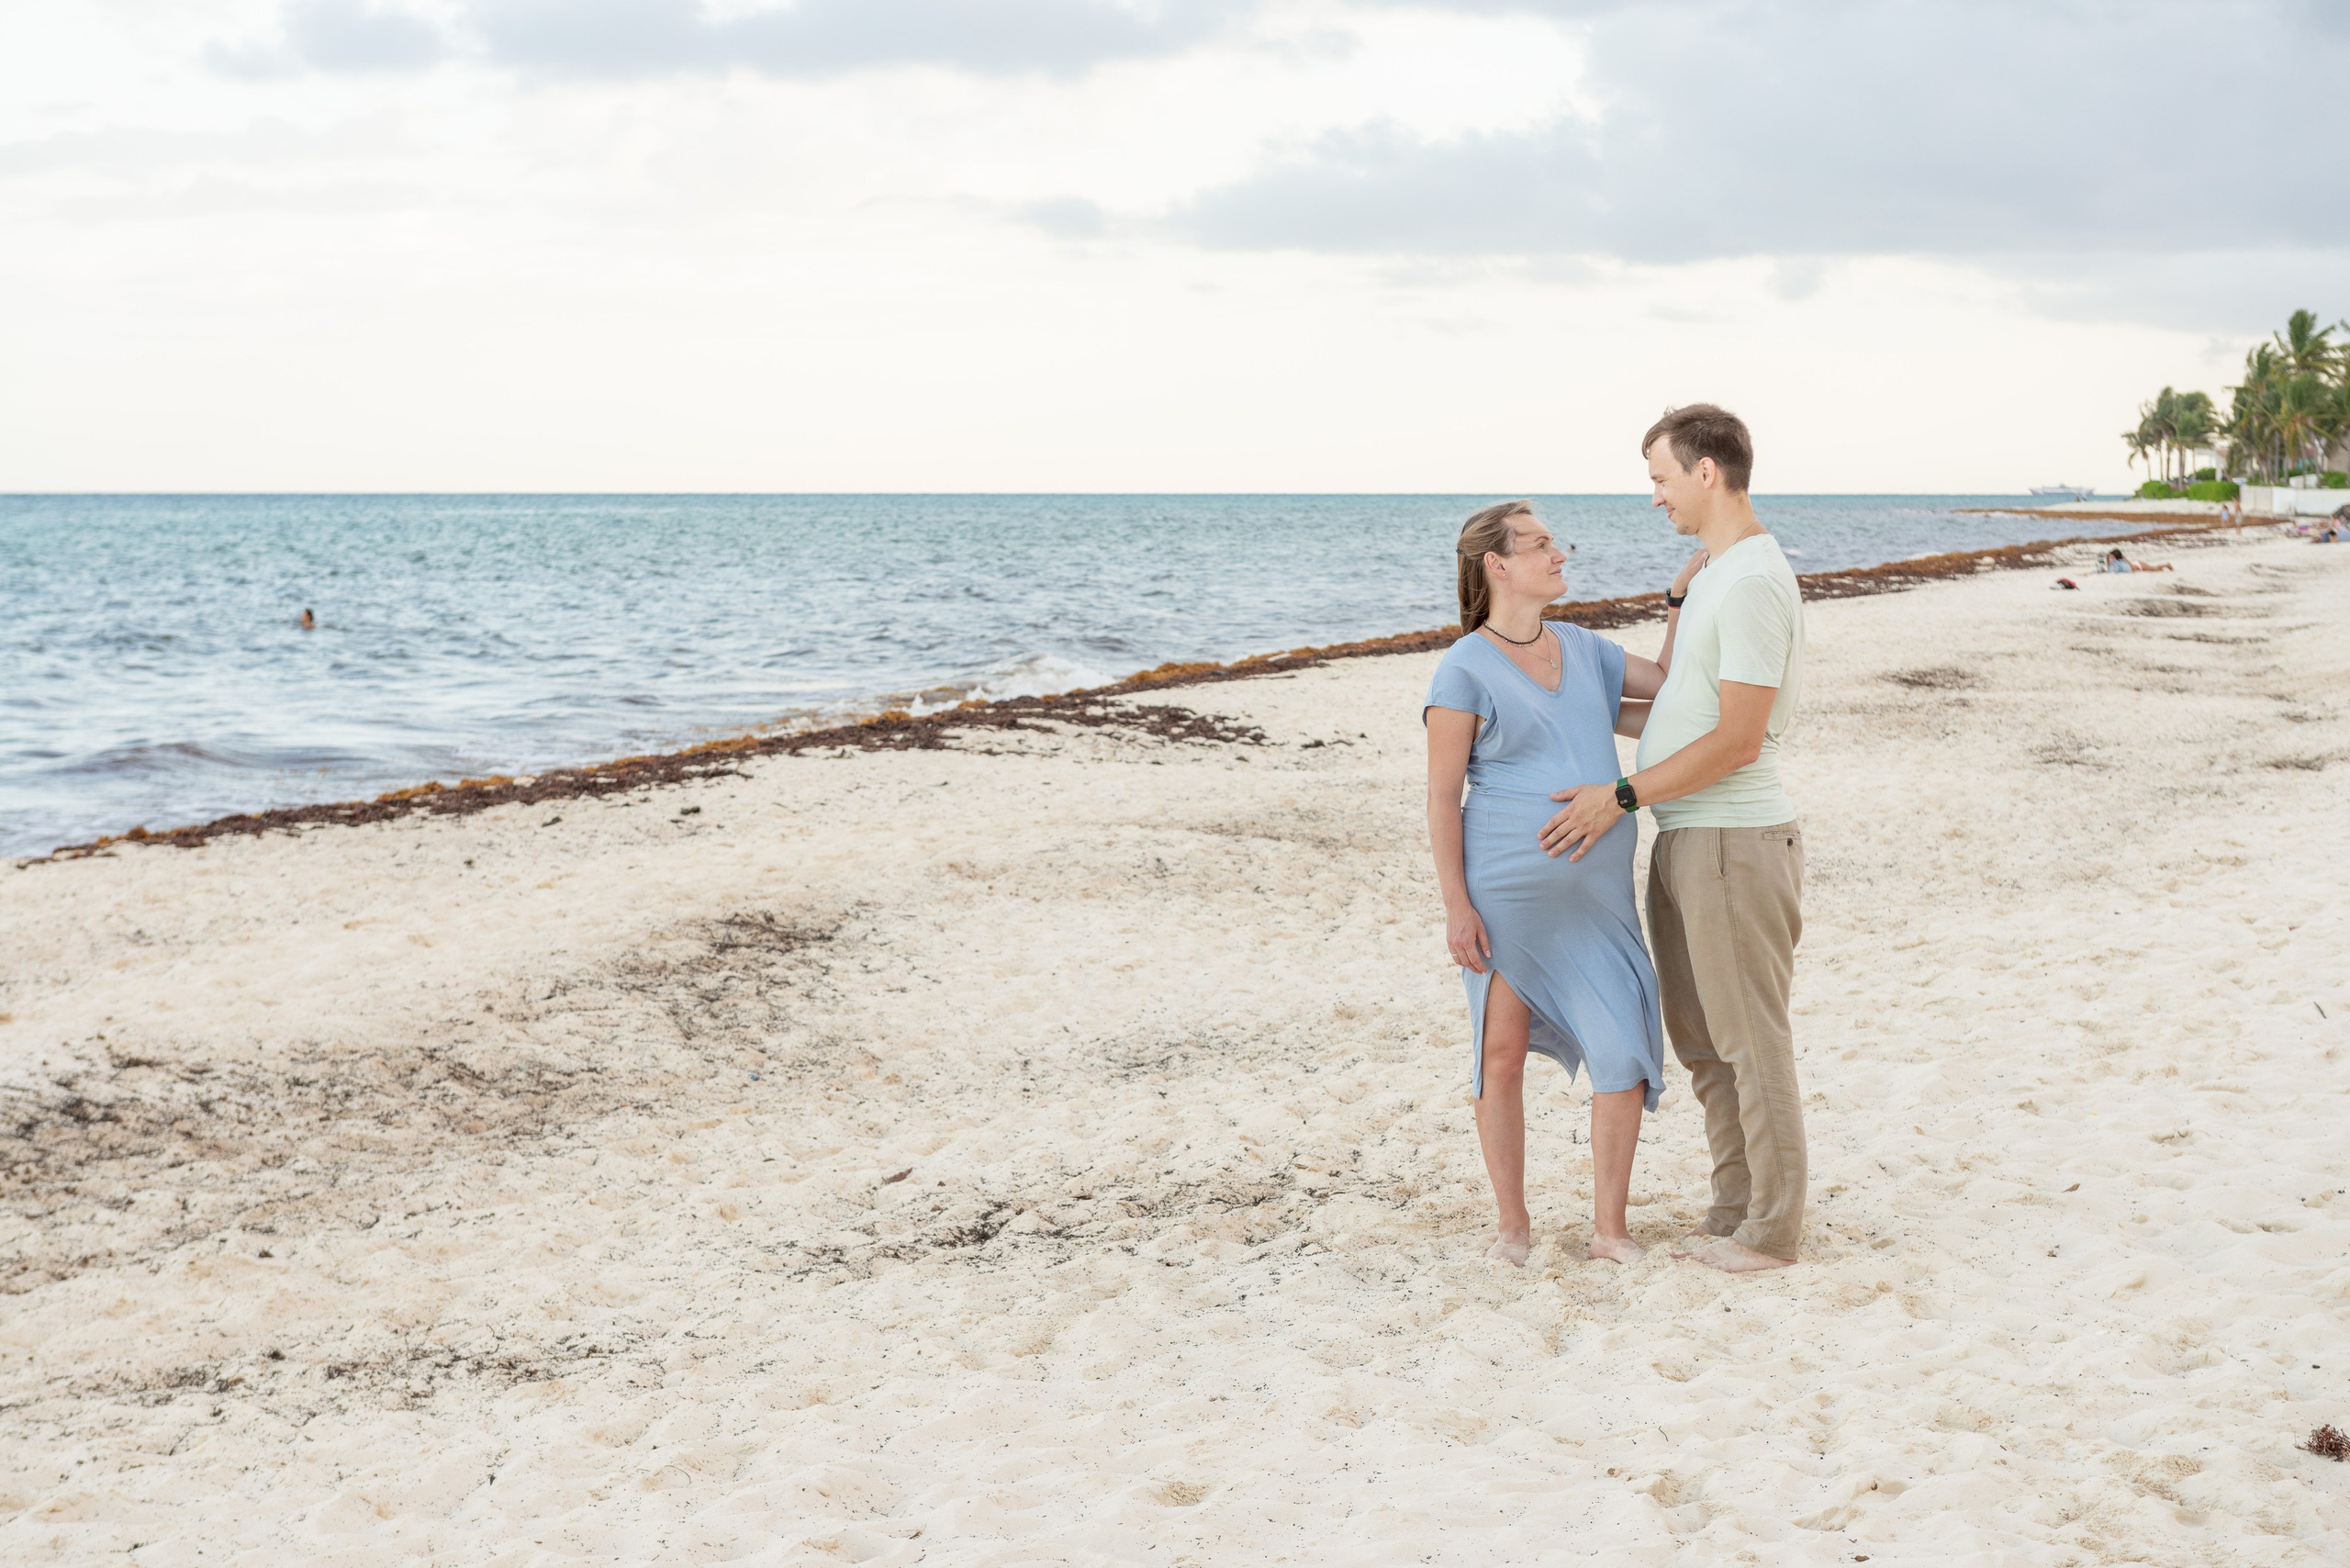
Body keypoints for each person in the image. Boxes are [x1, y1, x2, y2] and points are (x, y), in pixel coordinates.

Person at [1541, 404, 1807, 1274]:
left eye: (1660, 478)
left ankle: (1772, 1231)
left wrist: (1617, 796)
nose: (1654, 497)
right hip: (1688, 835)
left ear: (1706, 472)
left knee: (1748, 1040)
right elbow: (1671, 702)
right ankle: (1734, 1209)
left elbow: (1736, 739)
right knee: (1700, 1042)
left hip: (1733, 839)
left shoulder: (1757, 579)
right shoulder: (1717, 577)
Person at [1423, 502, 1673, 1267]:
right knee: (1498, 1055)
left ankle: (1611, 1231)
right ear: (1498, 564)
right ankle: (1513, 1229)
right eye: (1539, 545)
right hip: (1507, 895)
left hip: (1597, 900)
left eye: (1555, 543)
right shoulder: (1463, 666)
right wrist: (1457, 907)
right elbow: (1441, 796)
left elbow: (1663, 688)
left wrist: (1683, 606)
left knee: (1621, 1051)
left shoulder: (1583, 648)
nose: (1558, 554)